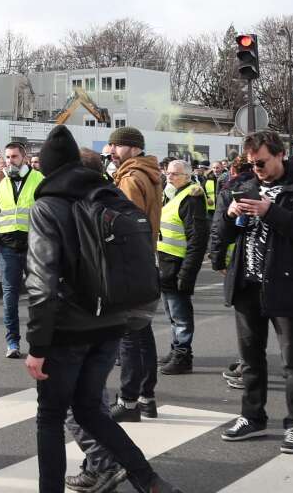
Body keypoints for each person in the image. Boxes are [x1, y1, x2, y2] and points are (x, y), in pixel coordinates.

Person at [24, 125, 183, 493]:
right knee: (90, 410)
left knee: (49, 417)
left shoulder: (48, 206)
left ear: (47, 169)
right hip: (112, 320)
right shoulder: (110, 196)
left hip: (69, 328)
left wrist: (38, 346)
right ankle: (149, 480)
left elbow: (42, 284)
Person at [215, 131, 293, 455]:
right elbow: (224, 231)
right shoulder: (244, 185)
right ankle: (252, 417)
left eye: (261, 162)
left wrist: (269, 211)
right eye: (250, 163)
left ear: (279, 155)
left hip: (287, 282)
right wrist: (230, 216)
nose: (256, 168)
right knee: (250, 358)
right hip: (248, 284)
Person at [104, 127, 162, 422]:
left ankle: (128, 401)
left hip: (131, 263)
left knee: (129, 333)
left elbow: (127, 225)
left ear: (132, 147)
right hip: (147, 260)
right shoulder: (149, 173)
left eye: (116, 145)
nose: (111, 150)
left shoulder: (130, 178)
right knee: (142, 331)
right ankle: (146, 396)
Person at [0, 141, 41, 358]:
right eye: (7, 157)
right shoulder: (2, 184)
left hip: (34, 248)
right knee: (9, 296)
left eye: (14, 157)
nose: (10, 161)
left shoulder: (39, 180)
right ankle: (12, 342)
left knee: (38, 296)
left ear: (24, 158)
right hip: (7, 247)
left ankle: (38, 343)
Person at [156, 160, 208, 375]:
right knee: (171, 312)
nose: (170, 177)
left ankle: (183, 355)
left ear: (187, 176)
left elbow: (197, 239)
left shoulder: (191, 198)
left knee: (181, 315)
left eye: (175, 174)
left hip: (178, 264)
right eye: (168, 173)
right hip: (166, 263)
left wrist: (187, 272)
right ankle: (176, 347)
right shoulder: (171, 195)